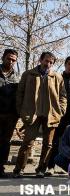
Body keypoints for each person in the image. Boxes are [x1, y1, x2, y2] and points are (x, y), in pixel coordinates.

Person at [13, 52, 67, 178]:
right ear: (40, 60)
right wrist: (21, 110)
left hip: (51, 115)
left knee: (48, 144)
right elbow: (20, 93)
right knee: (27, 142)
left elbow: (63, 96)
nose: (48, 64)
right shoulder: (28, 74)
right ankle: (19, 169)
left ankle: (41, 169)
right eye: (46, 61)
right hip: (33, 115)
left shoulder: (57, 77)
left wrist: (61, 111)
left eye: (51, 62)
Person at [46, 56, 70, 176]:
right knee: (54, 141)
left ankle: (69, 168)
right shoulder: (57, 77)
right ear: (65, 64)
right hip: (58, 115)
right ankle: (50, 166)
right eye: (69, 64)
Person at [0, 49, 19, 177]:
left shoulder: (16, 76)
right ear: (3, 58)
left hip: (10, 116)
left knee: (5, 142)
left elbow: (18, 96)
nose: (11, 61)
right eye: (9, 58)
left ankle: (0, 167)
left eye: (13, 60)